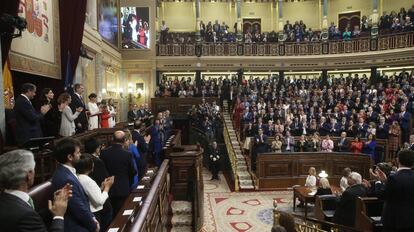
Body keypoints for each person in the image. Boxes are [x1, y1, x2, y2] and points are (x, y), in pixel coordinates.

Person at [0, 149, 72, 232]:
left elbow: (32, 217)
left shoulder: (6, 199)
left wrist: (54, 207)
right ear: (29, 175)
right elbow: (28, 217)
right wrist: (59, 216)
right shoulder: (26, 215)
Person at [51, 138, 99, 232]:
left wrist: (93, 218)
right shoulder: (66, 178)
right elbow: (78, 208)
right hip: (77, 227)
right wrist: (93, 225)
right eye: (78, 152)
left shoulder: (66, 172)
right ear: (70, 157)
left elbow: (83, 201)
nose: (80, 154)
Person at [372, 150, 414, 231]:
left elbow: (381, 196)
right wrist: (385, 181)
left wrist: (378, 181)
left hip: (394, 221)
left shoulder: (394, 178)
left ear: (397, 160)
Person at [100, 131, 136, 216]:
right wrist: (128, 183)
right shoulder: (127, 154)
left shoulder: (104, 153)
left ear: (113, 139)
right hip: (123, 188)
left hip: (108, 188)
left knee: (112, 214)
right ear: (124, 140)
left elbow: (102, 170)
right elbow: (132, 172)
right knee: (122, 214)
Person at [76, 154, 114, 232]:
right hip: (94, 213)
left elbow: (91, 194)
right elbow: (99, 201)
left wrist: (101, 187)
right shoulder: (88, 181)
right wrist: (107, 188)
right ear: (91, 166)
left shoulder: (79, 177)